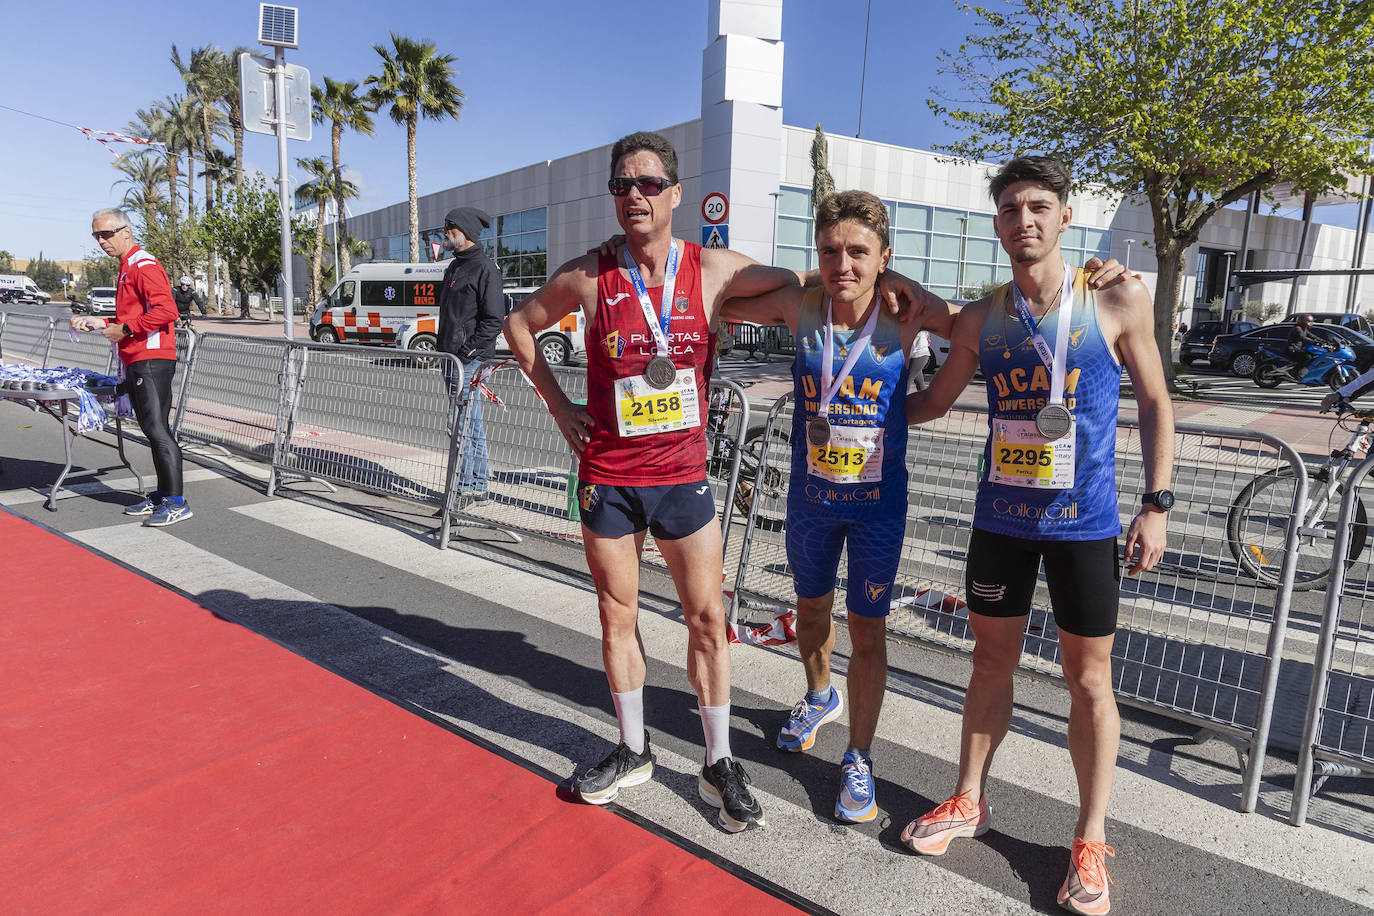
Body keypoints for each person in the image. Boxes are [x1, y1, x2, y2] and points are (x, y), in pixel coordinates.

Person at [501, 132, 924, 832]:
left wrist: (889, 285)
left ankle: (719, 761)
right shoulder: (587, 276)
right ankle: (633, 749)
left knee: (706, 620)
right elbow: (520, 326)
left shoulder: (713, 271)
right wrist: (559, 404)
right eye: (620, 185)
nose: (632, 195)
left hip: (683, 478)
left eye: (646, 183)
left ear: (674, 193)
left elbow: (800, 288)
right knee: (617, 617)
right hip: (608, 475)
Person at [720, 191, 1123, 826]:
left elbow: (993, 321)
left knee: (870, 627)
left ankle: (859, 754)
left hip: (879, 504)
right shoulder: (799, 305)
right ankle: (818, 694)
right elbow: (719, 287)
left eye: (858, 252)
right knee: (811, 611)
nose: (842, 265)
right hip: (811, 498)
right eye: (829, 251)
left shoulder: (904, 313)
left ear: (886, 257)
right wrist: (799, 276)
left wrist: (1092, 282)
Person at [901, 156, 1173, 915]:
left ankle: (1089, 838)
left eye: (1039, 206)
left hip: (1084, 526)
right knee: (990, 664)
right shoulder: (980, 319)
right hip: (1001, 523)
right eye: (1011, 208)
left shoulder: (1116, 296)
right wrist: (863, 407)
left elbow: (1155, 401)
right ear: (997, 223)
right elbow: (933, 404)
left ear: (1064, 216)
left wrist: (1157, 502)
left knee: (1089, 680)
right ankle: (967, 798)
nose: (1024, 219)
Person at [69, 208, 191, 527]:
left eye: (106, 234)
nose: (101, 242)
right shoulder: (127, 267)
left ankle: (177, 501)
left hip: (152, 358)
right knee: (152, 430)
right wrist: (102, 322)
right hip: (138, 357)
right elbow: (131, 316)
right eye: (96, 236)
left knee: (157, 430)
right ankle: (165, 495)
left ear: (126, 231)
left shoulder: (143, 264)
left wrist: (123, 330)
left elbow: (167, 311)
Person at [436, 206, 504, 502]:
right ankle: (477, 485)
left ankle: (465, 487)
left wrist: (466, 352)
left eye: (450, 227)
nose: (445, 232)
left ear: (464, 231)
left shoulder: (485, 269)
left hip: (466, 360)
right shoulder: (454, 266)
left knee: (461, 423)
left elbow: (494, 320)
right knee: (468, 422)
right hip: (451, 357)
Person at [1285, 313, 1323, 378]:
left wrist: (1322, 340)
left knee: (1311, 355)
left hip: (1297, 348)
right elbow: (1303, 337)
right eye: (1309, 322)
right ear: (1304, 321)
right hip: (1292, 349)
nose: (1310, 323)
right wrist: (1314, 342)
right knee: (1307, 357)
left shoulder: (1304, 328)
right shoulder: (1298, 329)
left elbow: (1312, 335)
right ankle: (1295, 372)